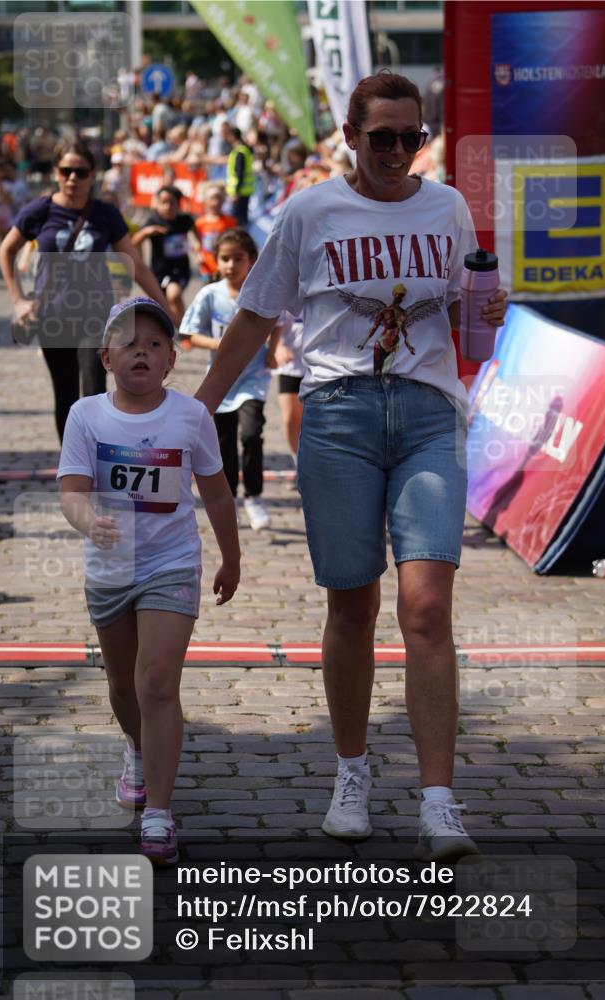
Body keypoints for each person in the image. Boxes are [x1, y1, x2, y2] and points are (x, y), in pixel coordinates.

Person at [194, 72, 507, 861]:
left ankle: (438, 800)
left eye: (413, 137)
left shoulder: (446, 208)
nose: (399, 152)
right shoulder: (309, 211)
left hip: (429, 414)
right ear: (349, 136)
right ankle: (351, 772)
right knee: (352, 607)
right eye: (383, 138)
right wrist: (197, 405)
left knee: (427, 606)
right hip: (338, 416)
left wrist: (486, 313)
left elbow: (470, 327)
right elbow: (256, 315)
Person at [57, 296, 240, 864]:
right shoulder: (86, 415)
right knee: (123, 687)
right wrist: (90, 520)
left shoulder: (190, 418)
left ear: (171, 360)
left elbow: (214, 491)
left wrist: (230, 557)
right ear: (106, 356)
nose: (143, 350)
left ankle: (159, 811)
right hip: (111, 572)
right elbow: (71, 491)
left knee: (156, 681)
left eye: (155, 343)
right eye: (130, 342)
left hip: (171, 566)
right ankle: (137, 750)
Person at [0, 142, 168, 442]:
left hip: (96, 315)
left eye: (80, 172)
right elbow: (6, 250)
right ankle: (72, 465)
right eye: (66, 171)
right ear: (56, 172)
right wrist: (18, 300)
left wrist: (163, 306)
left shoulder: (105, 214)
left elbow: (136, 265)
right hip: (53, 316)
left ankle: (95, 459)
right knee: (64, 393)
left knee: (93, 390)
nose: (72, 178)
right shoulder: (41, 210)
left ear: (93, 175)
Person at [180, 229, 278, 532]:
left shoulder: (260, 291)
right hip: (223, 381)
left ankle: (254, 496)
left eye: (239, 258)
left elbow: (280, 322)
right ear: (216, 262)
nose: (232, 265)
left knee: (251, 433)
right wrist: (219, 346)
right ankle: (231, 499)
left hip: (254, 378)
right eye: (225, 259)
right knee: (223, 443)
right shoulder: (211, 294)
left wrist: (274, 350)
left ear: (252, 260)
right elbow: (187, 333)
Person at [131, 185, 199, 326]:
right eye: (163, 202)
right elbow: (133, 242)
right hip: (159, 270)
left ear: (178, 204)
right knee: (166, 302)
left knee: (173, 294)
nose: (167, 206)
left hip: (181, 269)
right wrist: (146, 232)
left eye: (171, 203)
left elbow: (195, 232)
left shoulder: (185, 220)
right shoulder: (153, 221)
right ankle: (177, 325)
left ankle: (184, 327)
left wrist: (197, 244)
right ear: (158, 203)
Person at [274, 312, 305, 472]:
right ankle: (298, 463)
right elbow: (264, 325)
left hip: (318, 367)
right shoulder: (286, 289)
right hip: (290, 366)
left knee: (313, 420)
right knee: (291, 419)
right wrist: (278, 346)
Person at [194, 183, 237, 283]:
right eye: (213, 198)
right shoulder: (199, 223)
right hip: (206, 268)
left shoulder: (230, 221)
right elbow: (197, 242)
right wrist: (197, 254)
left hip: (224, 267)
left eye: (219, 198)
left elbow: (235, 241)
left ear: (223, 200)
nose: (216, 202)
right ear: (205, 201)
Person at [222, 124, 255, 228]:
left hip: (239, 192)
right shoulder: (242, 150)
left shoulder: (239, 152)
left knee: (238, 222)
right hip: (244, 191)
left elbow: (240, 172)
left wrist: (236, 192)